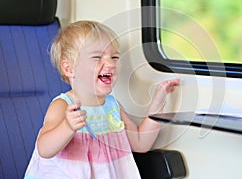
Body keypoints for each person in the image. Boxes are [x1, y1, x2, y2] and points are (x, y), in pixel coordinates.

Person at [24, 20, 180, 179]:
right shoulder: (63, 105)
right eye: (97, 57)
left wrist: (158, 105)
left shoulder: (112, 106)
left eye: (114, 57)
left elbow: (141, 143)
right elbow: (44, 149)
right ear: (69, 69)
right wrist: (67, 127)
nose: (110, 63)